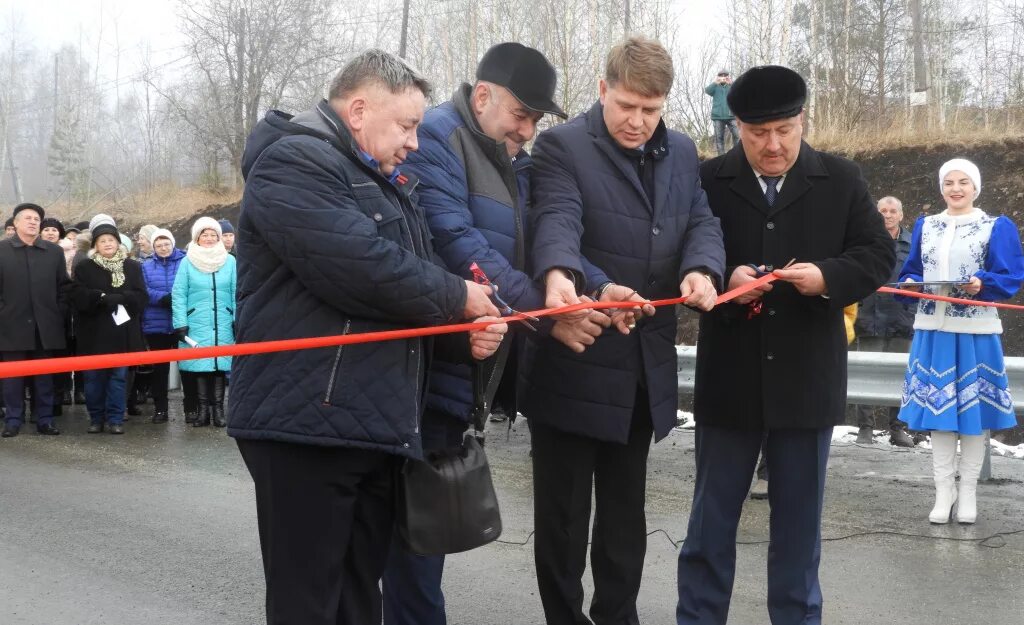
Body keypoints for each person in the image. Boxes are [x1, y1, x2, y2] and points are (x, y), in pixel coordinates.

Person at [229, 49, 503, 625]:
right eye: (405, 126)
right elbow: (358, 266)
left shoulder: (385, 183)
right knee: (308, 601)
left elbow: (399, 298)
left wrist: (462, 336)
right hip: (305, 426)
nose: (414, 143)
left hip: (371, 428)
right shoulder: (293, 162)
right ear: (357, 110)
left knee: (359, 600)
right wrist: (456, 299)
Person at [676, 65, 894, 625]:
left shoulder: (840, 179)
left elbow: (876, 255)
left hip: (807, 382)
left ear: (803, 120)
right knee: (710, 526)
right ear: (739, 128)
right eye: (756, 134)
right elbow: (679, 252)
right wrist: (725, 274)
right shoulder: (707, 179)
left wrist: (826, 276)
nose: (772, 146)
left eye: (784, 131)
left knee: (798, 535)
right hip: (729, 381)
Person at [381, 42, 589, 625]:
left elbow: (545, 241)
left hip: (462, 367)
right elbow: (457, 244)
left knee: (427, 532)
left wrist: (582, 285)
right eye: (521, 114)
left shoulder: (512, 160)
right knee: (415, 537)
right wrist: (544, 313)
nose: (528, 129)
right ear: (482, 96)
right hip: (422, 369)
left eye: (536, 119)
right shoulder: (436, 142)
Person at [525, 37, 725, 625]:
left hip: (641, 369)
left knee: (623, 519)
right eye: (627, 106)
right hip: (576, 356)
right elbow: (557, 219)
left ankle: (620, 617)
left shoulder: (684, 151)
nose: (638, 122)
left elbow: (702, 220)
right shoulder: (561, 147)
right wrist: (566, 275)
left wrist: (701, 267)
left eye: (652, 109)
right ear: (603, 88)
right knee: (562, 521)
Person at [897, 159, 1024, 525]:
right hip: (932, 329)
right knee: (939, 416)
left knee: (971, 414)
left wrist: (982, 283)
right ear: (941, 188)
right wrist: (909, 283)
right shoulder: (927, 225)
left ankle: (967, 492)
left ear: (975, 187)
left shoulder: (995, 226)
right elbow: (913, 270)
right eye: (949, 182)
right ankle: (943, 492)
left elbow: (1010, 274)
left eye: (963, 182)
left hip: (975, 330)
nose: (955, 188)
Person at [851, 196, 918, 446]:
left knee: (901, 375)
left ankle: (897, 428)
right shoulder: (864, 240)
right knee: (865, 373)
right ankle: (865, 428)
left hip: (902, 318)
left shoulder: (914, 244)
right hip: (869, 316)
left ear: (901, 215)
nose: (887, 215)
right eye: (882, 211)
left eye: (892, 211)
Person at [70, 222, 147, 434]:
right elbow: (77, 296)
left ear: (118, 243)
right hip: (94, 333)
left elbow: (142, 297)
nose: (107, 244)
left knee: (118, 378)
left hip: (122, 333)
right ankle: (96, 418)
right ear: (95, 245)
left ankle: (115, 419)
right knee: (93, 379)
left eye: (111, 240)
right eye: (102, 241)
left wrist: (122, 297)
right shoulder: (85, 267)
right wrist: (99, 298)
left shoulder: (132, 267)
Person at [0, 203, 70, 438]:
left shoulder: (53, 252)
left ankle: (45, 419)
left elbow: (64, 288)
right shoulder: (2, 250)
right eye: (27, 218)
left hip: (45, 326)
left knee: (44, 378)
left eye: (36, 219)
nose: (33, 222)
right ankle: (12, 419)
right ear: (16, 223)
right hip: (11, 325)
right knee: (12, 378)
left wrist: (58, 312)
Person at [171, 217, 236, 428]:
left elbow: (237, 292)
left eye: (213, 235)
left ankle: (218, 410)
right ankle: (202, 411)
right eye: (204, 235)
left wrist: (236, 319)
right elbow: (179, 294)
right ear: (196, 238)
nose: (209, 238)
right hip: (196, 321)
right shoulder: (187, 261)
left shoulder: (230, 261)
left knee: (218, 366)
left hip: (223, 320)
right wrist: (180, 323)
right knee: (200, 366)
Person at [141, 228, 186, 424]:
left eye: (166, 243)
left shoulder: (185, 261)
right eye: (158, 245)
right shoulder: (146, 265)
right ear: (153, 247)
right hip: (156, 322)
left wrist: (176, 299)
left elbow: (190, 285)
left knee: (187, 367)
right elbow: (143, 289)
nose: (163, 248)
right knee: (160, 371)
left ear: (172, 243)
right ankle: (161, 409)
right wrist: (162, 298)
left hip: (181, 322)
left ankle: (191, 408)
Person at [705, 70, 739, 156]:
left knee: (737, 135)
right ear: (718, 77)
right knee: (719, 138)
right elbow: (707, 91)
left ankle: (736, 155)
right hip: (718, 117)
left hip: (731, 115)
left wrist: (731, 83)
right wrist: (715, 82)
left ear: (728, 76)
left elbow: (739, 91)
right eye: (721, 75)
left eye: (725, 75)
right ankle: (721, 158)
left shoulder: (731, 86)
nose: (723, 77)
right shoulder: (715, 86)